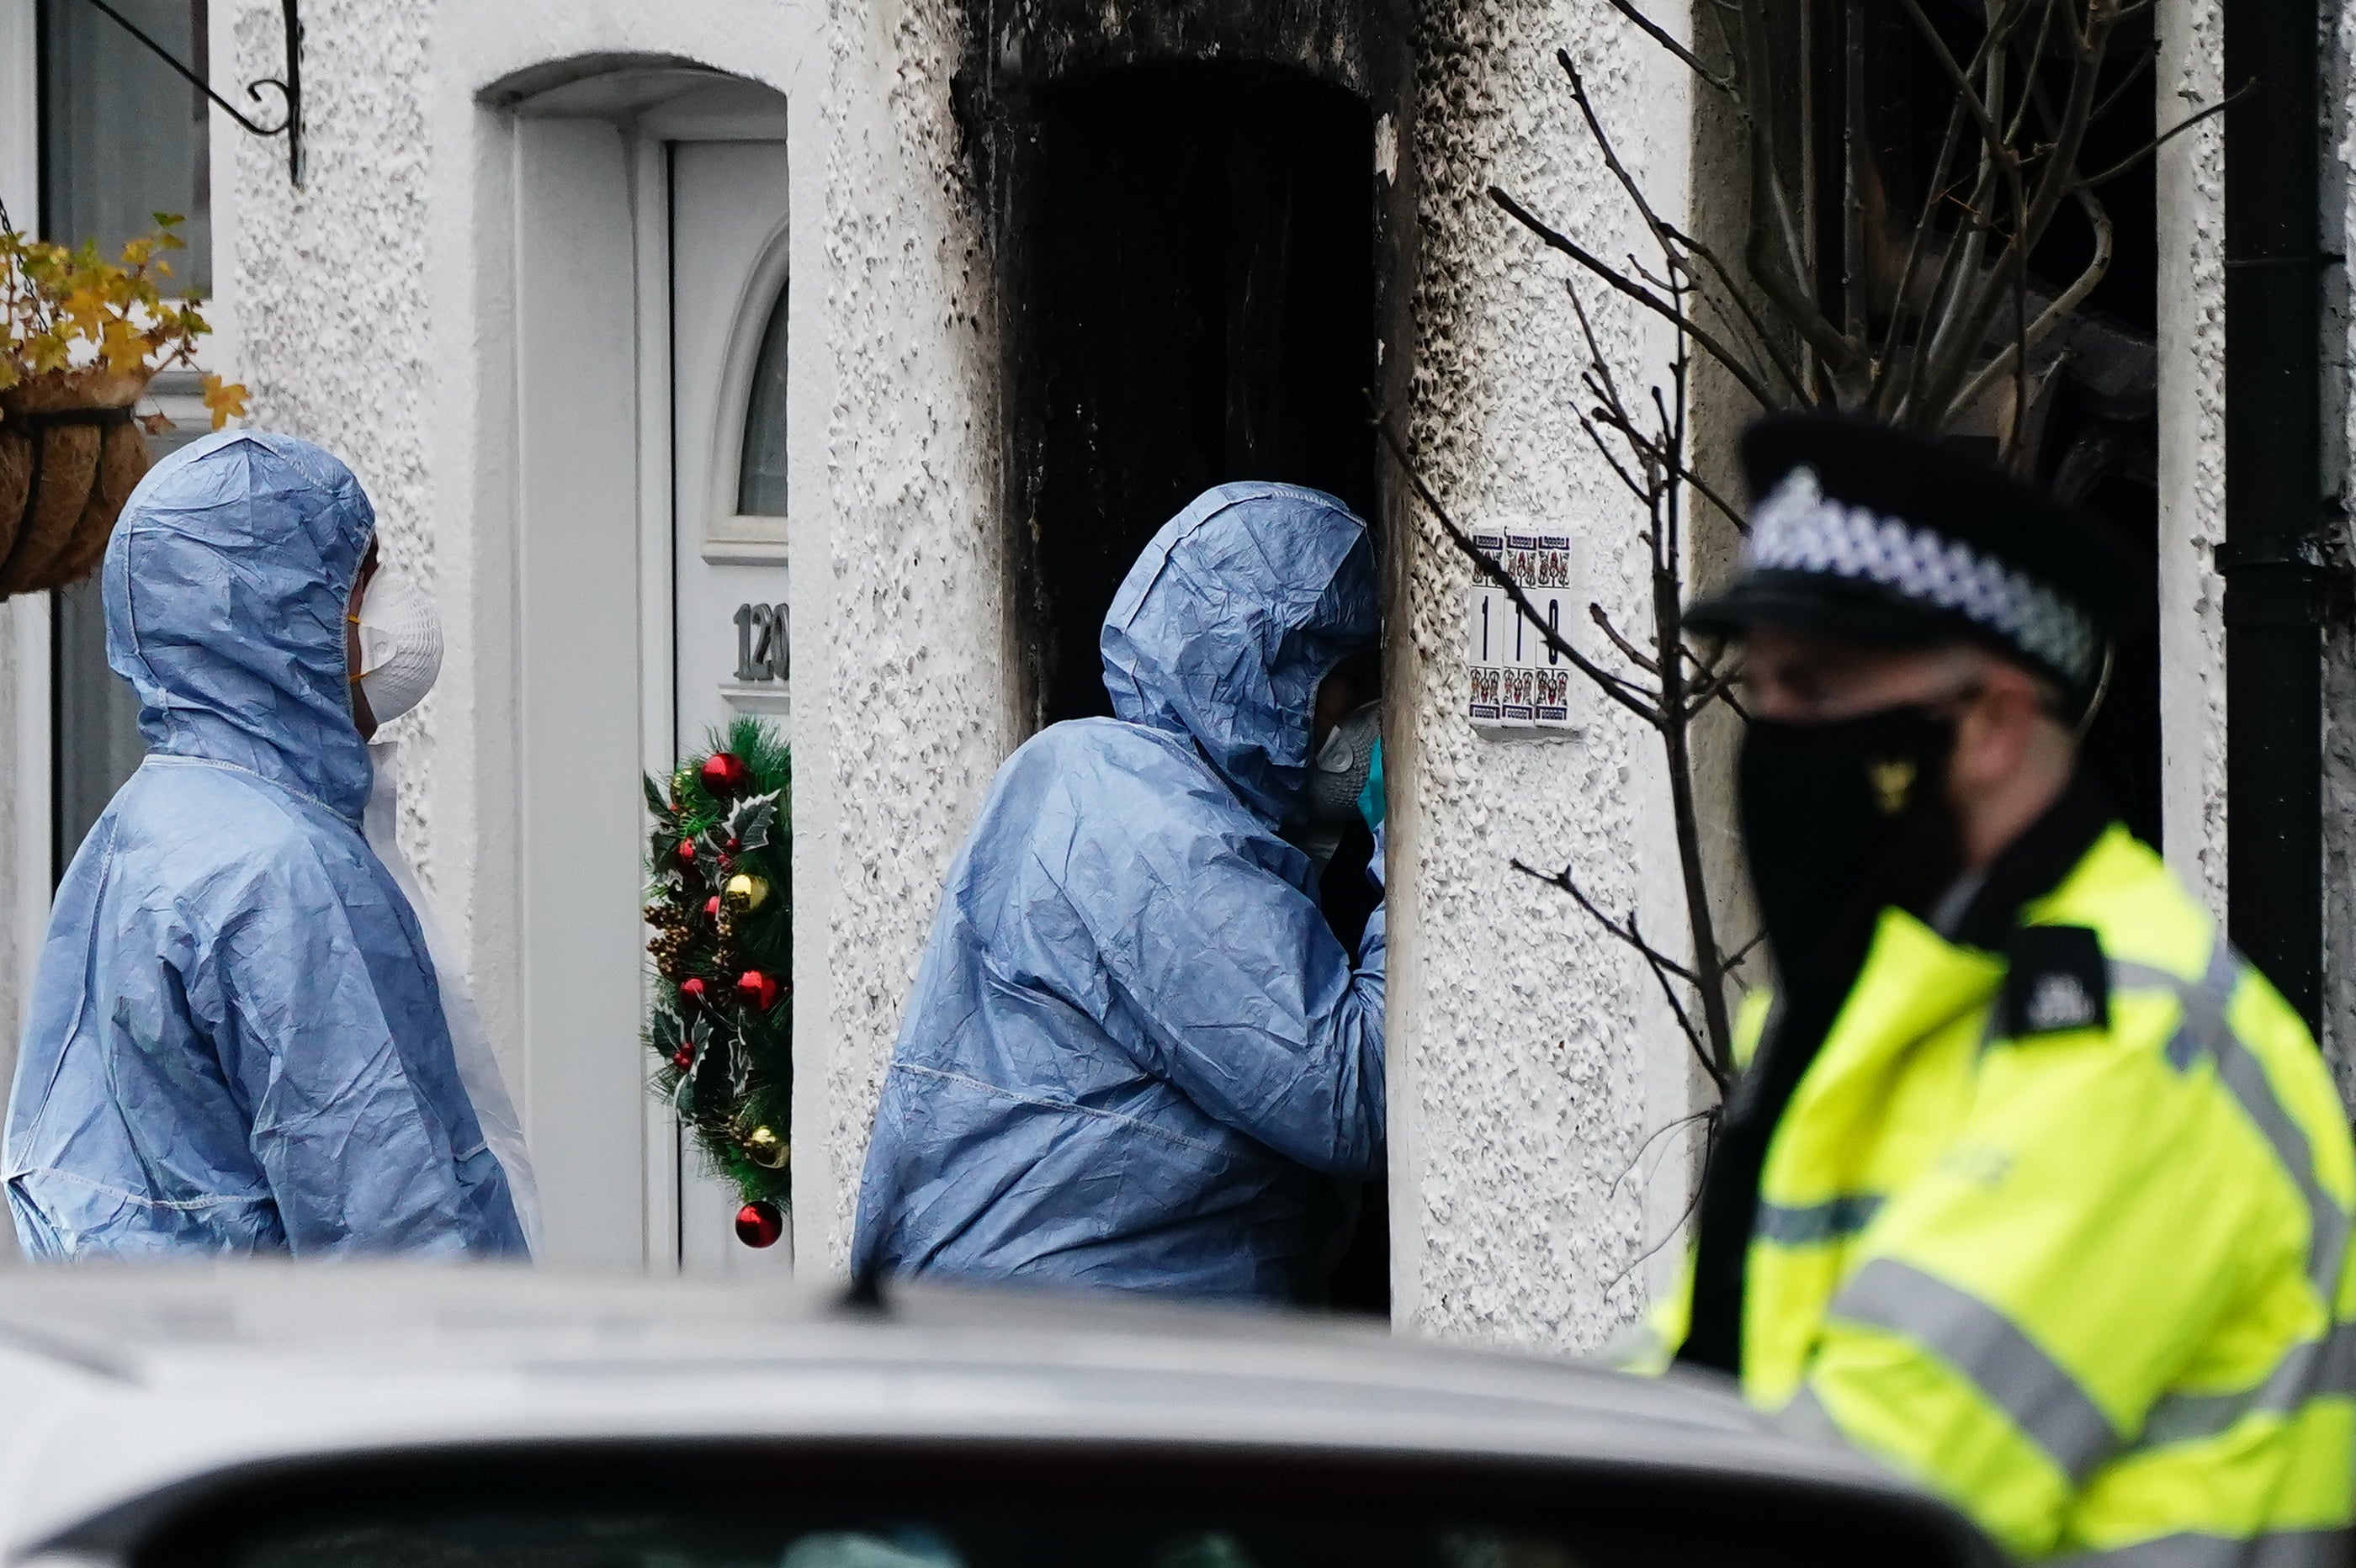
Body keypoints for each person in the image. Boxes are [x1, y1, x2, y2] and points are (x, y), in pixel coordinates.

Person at [1647, 412, 2356, 1564]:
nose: (1773, 739)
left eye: (1818, 690)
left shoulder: (2141, 1040)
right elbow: (1687, 1401)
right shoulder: (1861, 1007)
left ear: (1989, 724)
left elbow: (1862, 1500)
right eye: (1761, 689)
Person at [852, 482, 1386, 1301]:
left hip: (1036, 1340)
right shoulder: (1148, 826)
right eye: (1351, 684)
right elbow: (1349, 1096)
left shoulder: (1109, 780)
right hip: (1070, 1360)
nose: (1360, 721)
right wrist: (1405, 845)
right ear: (1271, 673)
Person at [4, 431, 531, 1258]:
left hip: (173, 1351)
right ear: (276, 616)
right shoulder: (285, 872)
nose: (393, 603)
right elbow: (396, 1227)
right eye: (363, 575)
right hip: (294, 1367)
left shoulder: (153, 818)